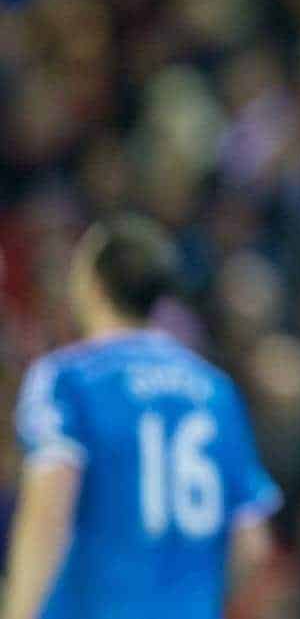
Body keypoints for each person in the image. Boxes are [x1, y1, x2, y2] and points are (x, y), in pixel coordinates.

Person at [3, 215, 281, 619]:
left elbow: (51, 505)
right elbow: (252, 545)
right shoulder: (215, 390)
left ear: (90, 285)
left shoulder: (67, 378)